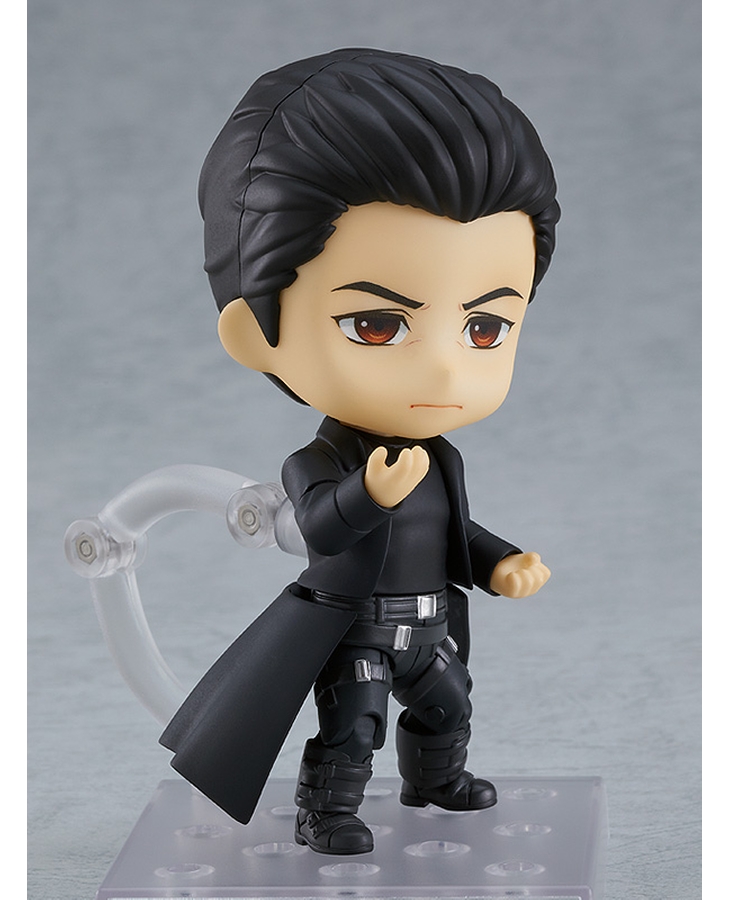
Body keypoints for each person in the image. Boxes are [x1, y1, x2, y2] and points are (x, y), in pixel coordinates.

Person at [160, 48, 559, 855]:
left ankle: (436, 779)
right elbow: (319, 527)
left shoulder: (439, 457)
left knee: (449, 705)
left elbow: (454, 532)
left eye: (485, 327)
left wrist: (500, 563)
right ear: (257, 332)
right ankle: (327, 811)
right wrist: (367, 495)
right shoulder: (321, 460)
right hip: (358, 632)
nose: (444, 367)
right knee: (354, 725)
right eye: (377, 325)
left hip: (430, 622)